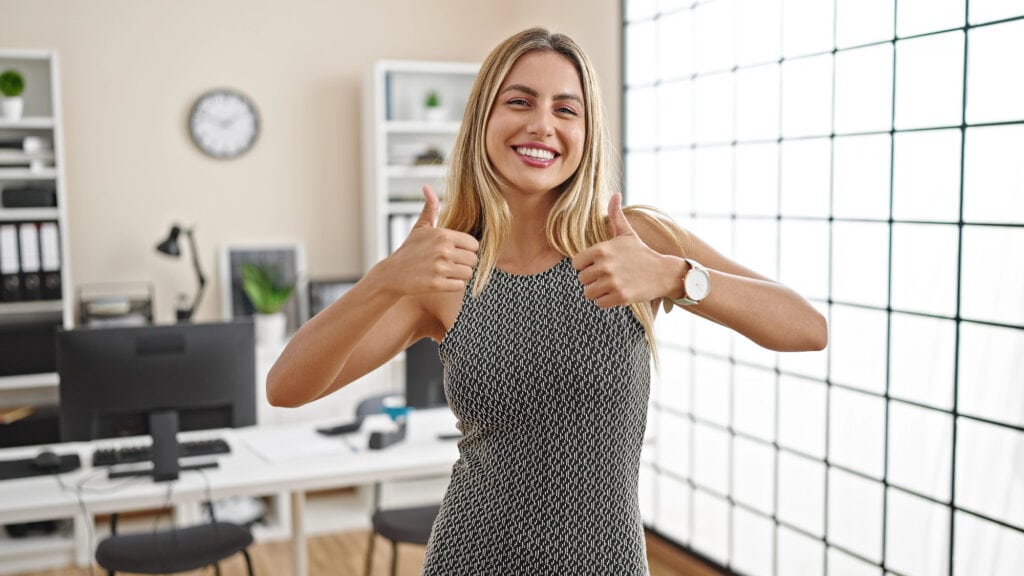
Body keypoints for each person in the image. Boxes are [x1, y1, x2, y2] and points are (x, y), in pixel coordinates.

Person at [268, 27, 826, 575]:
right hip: (471, 559)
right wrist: (385, 279)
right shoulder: (447, 271)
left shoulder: (635, 243)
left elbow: (806, 329)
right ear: (483, 118)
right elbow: (286, 388)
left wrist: (676, 275)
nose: (542, 124)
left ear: (587, 130)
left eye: (566, 109)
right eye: (519, 101)